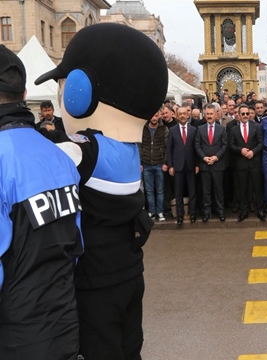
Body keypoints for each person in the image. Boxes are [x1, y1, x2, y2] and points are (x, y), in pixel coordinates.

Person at [34, 23, 165, 359]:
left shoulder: (83, 149)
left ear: (81, 90)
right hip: (131, 270)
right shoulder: (128, 147)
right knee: (130, 347)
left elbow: (31, 162)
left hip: (95, 279)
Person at [0, 43, 83, 360]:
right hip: (63, 321)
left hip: (14, 334)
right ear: (23, 95)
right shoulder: (60, 156)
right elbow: (75, 246)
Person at [229, 105, 265, 222]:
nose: (245, 116)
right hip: (241, 162)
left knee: (257, 187)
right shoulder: (233, 129)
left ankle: (260, 209)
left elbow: (260, 143)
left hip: (254, 162)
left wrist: (253, 152)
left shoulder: (257, 127)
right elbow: (231, 145)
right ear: (238, 115)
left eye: (247, 114)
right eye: (243, 114)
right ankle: (244, 210)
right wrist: (241, 150)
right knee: (242, 189)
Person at [194, 104, 228, 222]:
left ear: (216, 115)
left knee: (219, 190)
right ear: (204, 115)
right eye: (207, 114)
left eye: (211, 114)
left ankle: (220, 212)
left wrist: (216, 157)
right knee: (206, 190)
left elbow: (224, 145)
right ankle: (206, 212)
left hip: (217, 164)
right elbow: (197, 145)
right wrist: (204, 158)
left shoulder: (222, 129)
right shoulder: (200, 129)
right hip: (205, 164)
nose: (209, 116)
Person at [167, 107, 199, 224]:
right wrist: (170, 166)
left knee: (192, 191)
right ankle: (180, 215)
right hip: (177, 165)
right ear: (176, 115)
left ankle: (192, 213)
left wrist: (197, 164)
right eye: (180, 114)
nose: (182, 116)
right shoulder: (173, 130)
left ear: (187, 115)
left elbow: (196, 149)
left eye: (184, 114)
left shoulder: (193, 130)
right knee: (178, 192)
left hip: (191, 165)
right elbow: (169, 150)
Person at [140, 109, 169, 221]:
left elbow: (167, 147)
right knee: (149, 190)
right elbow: (140, 145)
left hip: (159, 163)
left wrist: (165, 162)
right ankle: (152, 211)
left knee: (160, 189)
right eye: (152, 116)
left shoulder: (164, 129)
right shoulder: (144, 129)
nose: (154, 118)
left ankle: (160, 212)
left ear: (159, 116)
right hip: (146, 163)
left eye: (156, 115)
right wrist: (140, 162)